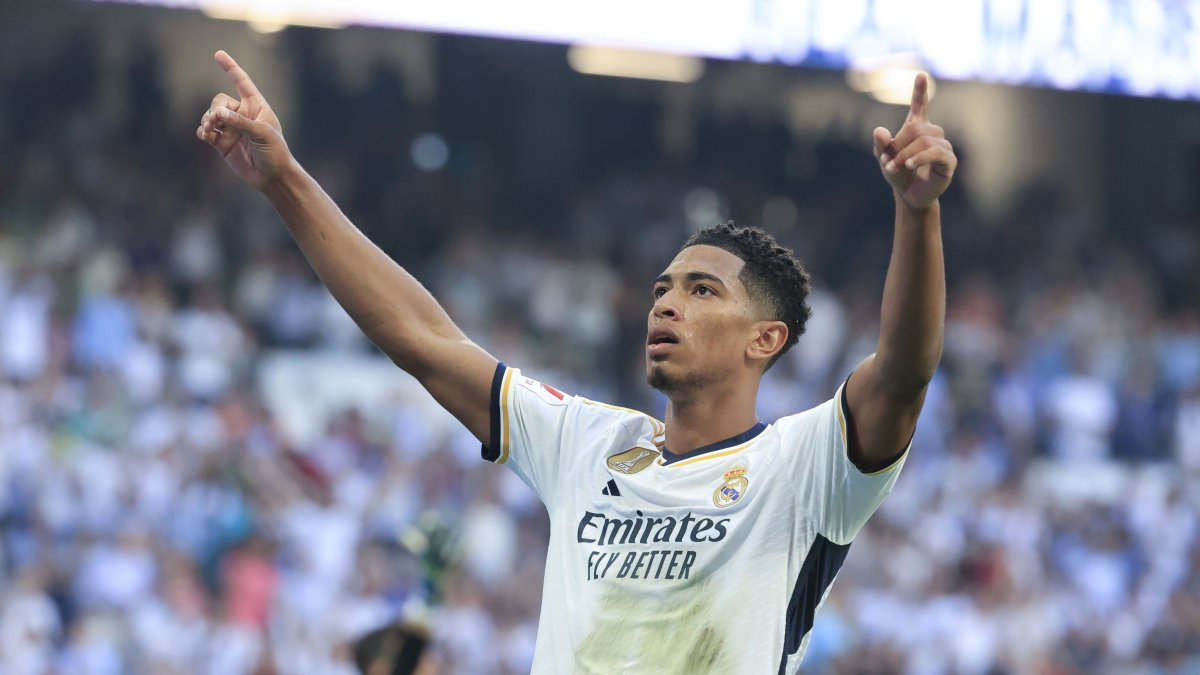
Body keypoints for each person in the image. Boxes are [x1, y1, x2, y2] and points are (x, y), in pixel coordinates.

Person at [197, 49, 956, 674]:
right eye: (662, 288)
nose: (665, 304)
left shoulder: (805, 468)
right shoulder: (586, 442)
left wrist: (916, 213)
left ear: (766, 339)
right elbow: (421, 338)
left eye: (701, 290)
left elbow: (902, 371)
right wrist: (285, 182)